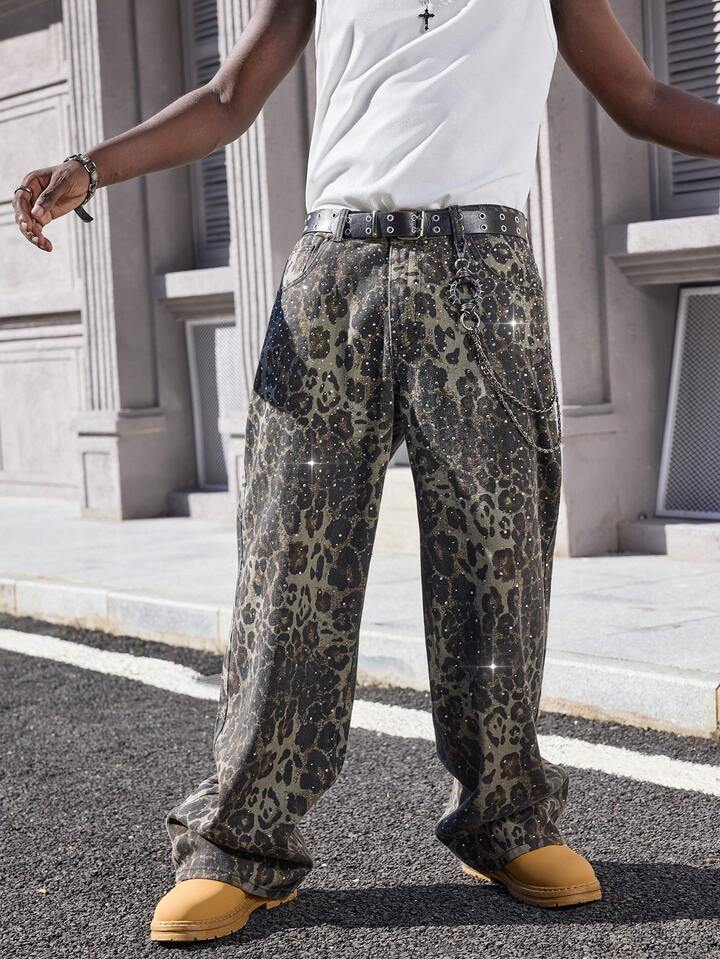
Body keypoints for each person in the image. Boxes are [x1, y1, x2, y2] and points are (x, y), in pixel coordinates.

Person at [12, 0, 720, 944]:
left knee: (496, 565)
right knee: (289, 566)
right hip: (333, 274)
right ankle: (240, 844)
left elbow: (640, 97)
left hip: (481, 276)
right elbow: (227, 98)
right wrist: (92, 165)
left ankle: (506, 818)